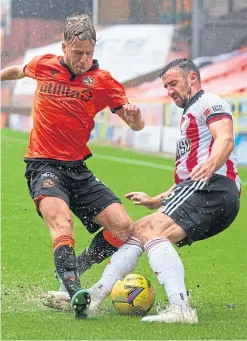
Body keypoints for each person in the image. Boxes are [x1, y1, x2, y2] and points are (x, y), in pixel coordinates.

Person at [0, 14, 145, 319]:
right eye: (77, 53)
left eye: (88, 53)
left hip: (78, 169)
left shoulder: (103, 81)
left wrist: (135, 118)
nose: (83, 59)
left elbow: (136, 126)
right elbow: (19, 70)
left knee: (123, 227)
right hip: (43, 165)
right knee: (62, 223)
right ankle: (74, 292)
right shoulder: (43, 64)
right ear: (64, 46)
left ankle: (76, 267)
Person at [84, 58, 241, 323]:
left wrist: (211, 164)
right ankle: (96, 294)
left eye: (173, 83)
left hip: (213, 188)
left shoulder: (209, 102)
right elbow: (185, 179)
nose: (169, 91)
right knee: (139, 230)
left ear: (192, 78)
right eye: (166, 86)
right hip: (204, 189)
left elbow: (225, 138)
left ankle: (180, 308)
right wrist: (154, 200)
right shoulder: (189, 115)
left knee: (151, 231)